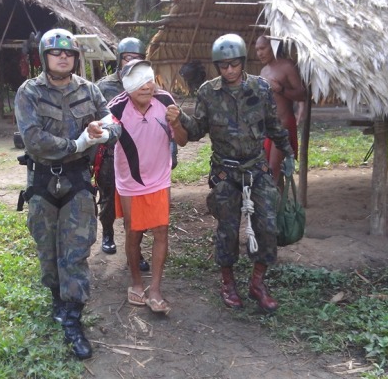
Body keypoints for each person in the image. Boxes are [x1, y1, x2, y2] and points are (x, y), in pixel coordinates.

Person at [14, 28, 121, 360]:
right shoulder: (29, 92)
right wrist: (76, 144)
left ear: (76, 58)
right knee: (48, 252)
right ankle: (57, 300)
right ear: (44, 57)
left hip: (76, 182)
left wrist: (101, 132)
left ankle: (73, 320)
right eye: (56, 53)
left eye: (69, 53)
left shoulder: (89, 90)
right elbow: (33, 139)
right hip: (42, 182)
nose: (63, 57)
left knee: (74, 253)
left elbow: (113, 123)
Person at [175, 33, 295, 312]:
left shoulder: (261, 89)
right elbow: (196, 131)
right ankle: (228, 283)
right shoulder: (207, 92)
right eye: (223, 65)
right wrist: (179, 117)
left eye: (234, 64)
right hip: (225, 172)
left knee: (267, 225)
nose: (229, 70)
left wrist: (287, 153)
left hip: (256, 167)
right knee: (227, 230)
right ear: (217, 66)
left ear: (242, 62)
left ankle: (257, 283)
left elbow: (274, 125)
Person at [108, 59, 186, 314]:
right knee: (133, 232)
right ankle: (136, 283)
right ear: (127, 85)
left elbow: (183, 141)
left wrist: (176, 123)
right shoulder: (116, 108)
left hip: (159, 179)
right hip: (130, 182)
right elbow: (105, 133)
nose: (146, 85)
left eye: (149, 78)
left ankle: (155, 289)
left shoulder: (165, 101)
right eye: (139, 81)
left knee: (161, 231)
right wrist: (98, 131)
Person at [94, 37, 150, 272]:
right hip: (109, 153)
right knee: (107, 198)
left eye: (137, 59)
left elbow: (162, 117)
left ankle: (134, 251)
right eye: (127, 58)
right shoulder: (103, 86)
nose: (131, 63)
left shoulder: (148, 84)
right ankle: (107, 234)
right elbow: (93, 118)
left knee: (137, 204)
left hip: (138, 155)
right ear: (119, 60)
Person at [255, 35, 307, 184]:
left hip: (283, 125)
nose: (259, 53)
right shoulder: (263, 71)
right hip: (267, 128)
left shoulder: (287, 66)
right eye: (257, 50)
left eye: (262, 48)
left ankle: (271, 205)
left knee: (272, 169)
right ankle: (278, 206)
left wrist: (281, 89)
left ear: (273, 46)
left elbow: (302, 95)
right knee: (265, 167)